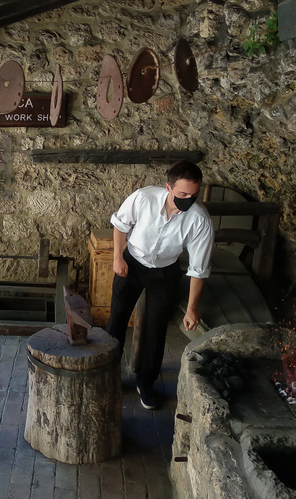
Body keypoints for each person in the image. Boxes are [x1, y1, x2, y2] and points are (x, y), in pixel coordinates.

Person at [106, 161, 214, 410]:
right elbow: (120, 224)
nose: (189, 199)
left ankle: (145, 383)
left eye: (194, 195)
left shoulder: (199, 220)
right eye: (183, 194)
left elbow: (199, 268)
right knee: (116, 320)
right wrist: (117, 257)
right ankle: (108, 373)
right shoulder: (143, 198)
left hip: (165, 273)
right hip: (132, 265)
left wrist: (192, 308)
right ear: (168, 187)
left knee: (155, 330)